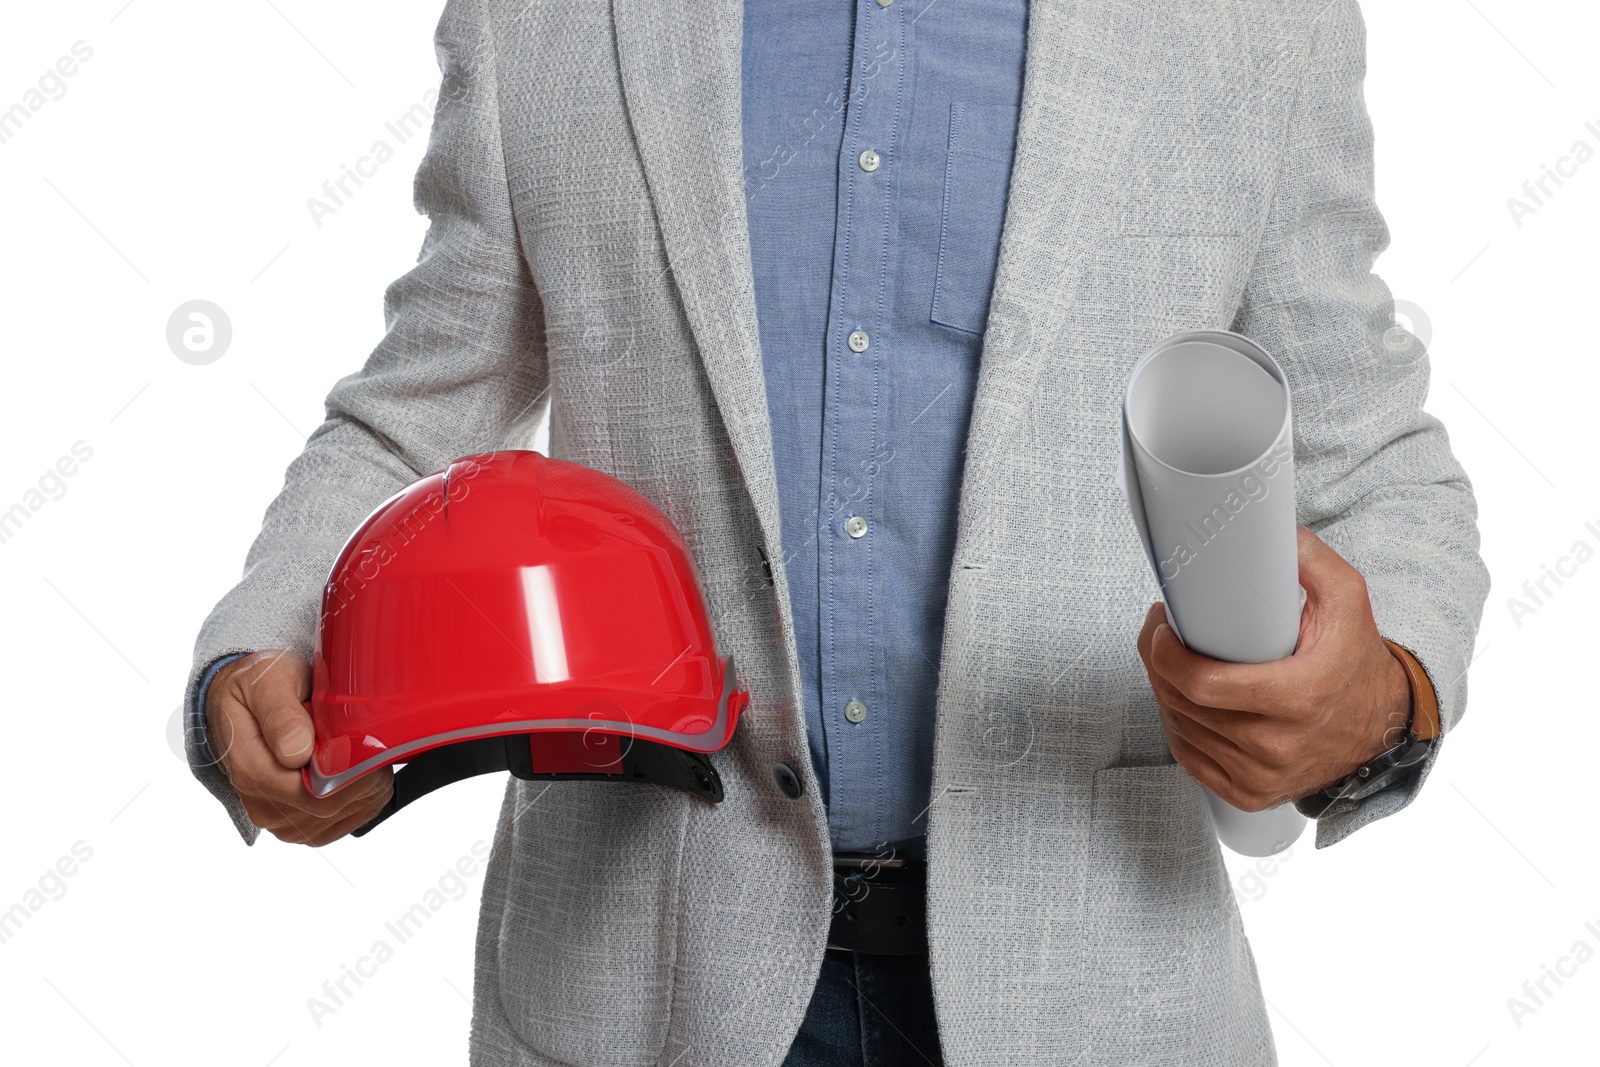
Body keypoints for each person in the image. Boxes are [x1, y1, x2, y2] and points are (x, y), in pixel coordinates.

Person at [184, 1, 1489, 1063]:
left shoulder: (1256, 23)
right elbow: (414, 415)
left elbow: (1378, 466)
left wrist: (1384, 697)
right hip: (635, 991)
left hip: (1101, 990)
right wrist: (264, 648)